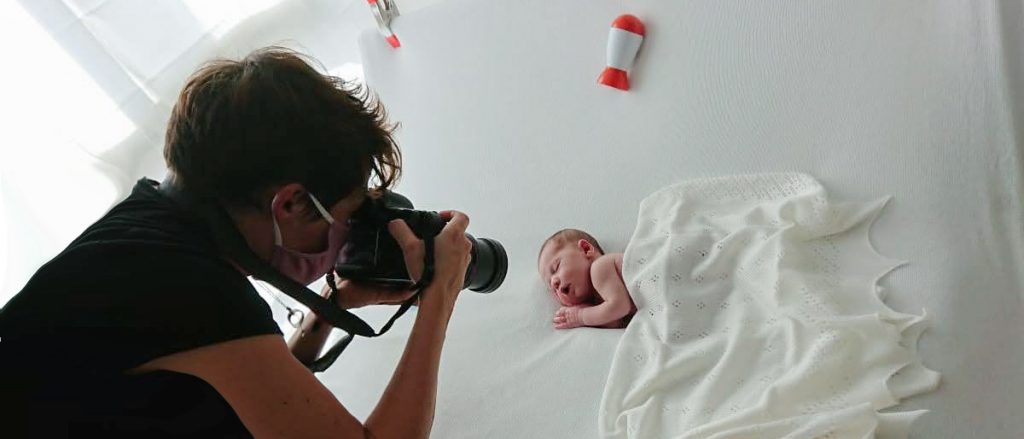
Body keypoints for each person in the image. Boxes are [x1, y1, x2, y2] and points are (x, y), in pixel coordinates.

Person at [0, 47, 472, 438]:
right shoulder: (190, 285)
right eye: (344, 219)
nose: (342, 238)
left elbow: (247, 390)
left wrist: (330, 304)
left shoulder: (150, 230)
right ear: (289, 204)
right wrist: (439, 296)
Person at [536, 229, 636, 329]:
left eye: (556, 267)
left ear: (586, 249)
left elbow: (620, 306)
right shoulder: (602, 300)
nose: (554, 283)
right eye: (553, 289)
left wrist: (580, 316)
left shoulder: (600, 267)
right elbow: (615, 321)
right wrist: (588, 309)